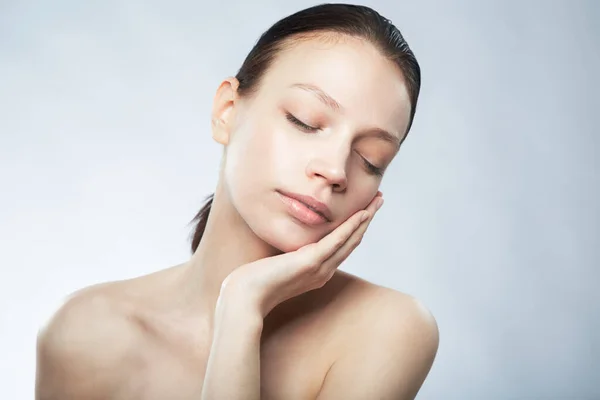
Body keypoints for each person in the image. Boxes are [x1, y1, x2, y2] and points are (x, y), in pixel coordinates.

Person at [35, 3, 439, 399]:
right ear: (227, 110)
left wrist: (242, 308)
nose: (335, 170)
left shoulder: (389, 328)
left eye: (371, 159)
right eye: (305, 121)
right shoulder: (85, 333)